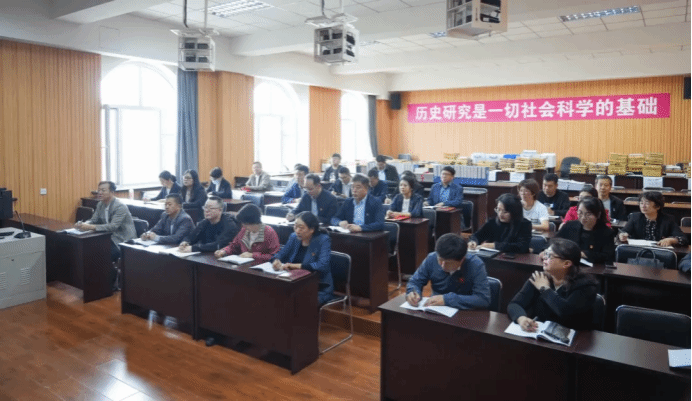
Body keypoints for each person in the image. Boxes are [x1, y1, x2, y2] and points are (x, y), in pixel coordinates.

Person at [507, 238, 598, 331]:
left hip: (575, 335)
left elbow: (566, 313)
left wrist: (545, 289)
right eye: (545, 253)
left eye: (550, 256)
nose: (544, 258)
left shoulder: (585, 285)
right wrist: (521, 318)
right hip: (540, 332)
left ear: (566, 263)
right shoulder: (539, 278)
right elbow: (515, 304)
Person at [405, 233, 491, 310]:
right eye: (440, 260)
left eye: (448, 263)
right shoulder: (431, 258)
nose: (442, 265)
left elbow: (483, 299)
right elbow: (415, 281)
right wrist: (413, 292)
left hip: (463, 312)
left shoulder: (476, 265)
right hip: (434, 308)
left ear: (462, 260)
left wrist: (447, 299)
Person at [271, 212, 333, 305]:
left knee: (296, 303)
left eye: (301, 228)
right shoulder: (294, 237)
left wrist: (296, 266)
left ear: (312, 229)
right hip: (293, 282)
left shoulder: (323, 240)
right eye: (295, 226)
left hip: (317, 286)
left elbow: (322, 265)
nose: (297, 231)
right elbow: (281, 254)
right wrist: (276, 260)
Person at [76, 181, 136, 262]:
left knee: (100, 254)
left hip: (121, 240)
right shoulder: (100, 204)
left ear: (112, 192)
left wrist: (90, 227)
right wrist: (84, 224)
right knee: (87, 249)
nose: (100, 193)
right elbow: (93, 220)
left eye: (103, 190)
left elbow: (113, 226)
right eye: (99, 190)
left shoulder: (120, 206)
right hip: (107, 237)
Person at [215, 204, 280, 265]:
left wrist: (252, 255)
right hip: (244, 265)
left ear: (254, 222)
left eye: (246, 224)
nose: (243, 226)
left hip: (259, 267)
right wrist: (224, 251)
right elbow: (233, 246)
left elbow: (274, 256)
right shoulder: (244, 230)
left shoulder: (269, 233)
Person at [556, 197, 616, 264]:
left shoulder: (607, 233)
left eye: (588, 214)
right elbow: (555, 242)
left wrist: (585, 254)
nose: (583, 217)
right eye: (580, 213)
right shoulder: (569, 225)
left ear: (598, 215)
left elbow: (608, 256)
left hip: (594, 268)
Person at [618, 191, 688, 247]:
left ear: (657, 206)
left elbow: (683, 239)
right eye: (641, 203)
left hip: (659, 252)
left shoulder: (668, 219)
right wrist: (622, 235)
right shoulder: (635, 217)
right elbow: (623, 231)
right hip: (638, 250)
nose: (643, 206)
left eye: (647, 203)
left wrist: (671, 240)